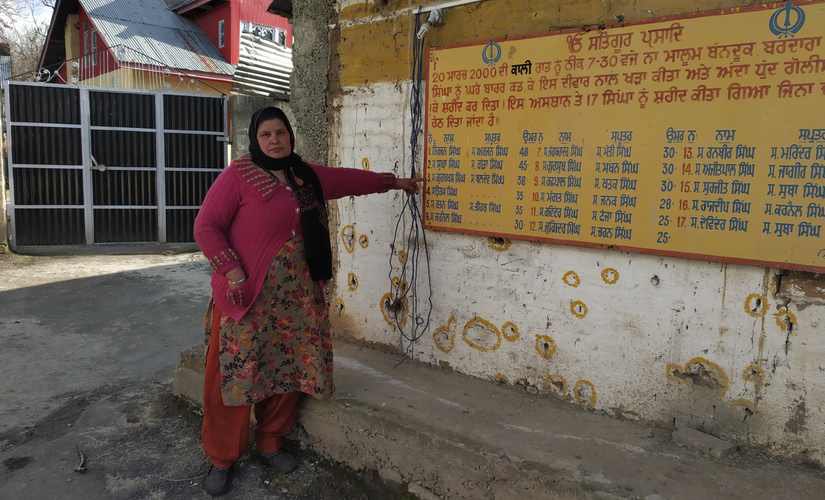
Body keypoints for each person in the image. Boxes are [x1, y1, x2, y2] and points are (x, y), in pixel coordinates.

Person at [193, 106, 420, 497]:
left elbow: (349, 181)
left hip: (296, 300)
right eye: (266, 134)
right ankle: (221, 457)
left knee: (288, 369)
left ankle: (270, 442)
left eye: (280, 132)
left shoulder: (305, 175)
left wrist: (393, 182)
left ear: (290, 136)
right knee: (234, 377)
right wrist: (232, 271)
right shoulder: (238, 176)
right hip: (247, 297)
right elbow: (206, 227)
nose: (275, 140)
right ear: (255, 139)